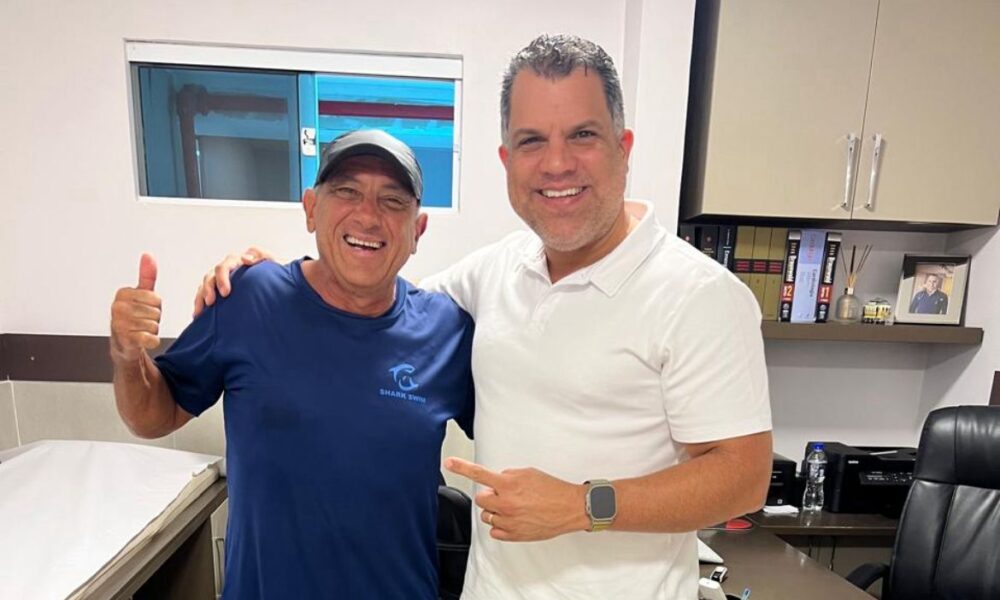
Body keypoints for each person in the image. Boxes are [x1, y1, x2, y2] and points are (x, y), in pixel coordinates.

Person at [196, 34, 772, 599]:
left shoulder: (698, 294)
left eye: (583, 135)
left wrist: (583, 505)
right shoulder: (496, 270)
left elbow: (743, 478)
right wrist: (280, 282)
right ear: (507, 160)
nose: (556, 163)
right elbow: (373, 294)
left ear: (623, 147)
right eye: (531, 140)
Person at [110, 130, 475, 599]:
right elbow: (152, 416)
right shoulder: (247, 297)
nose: (368, 215)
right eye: (347, 191)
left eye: (392, 200)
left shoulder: (447, 330)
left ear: (417, 231)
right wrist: (127, 357)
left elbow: (516, 431)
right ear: (310, 209)